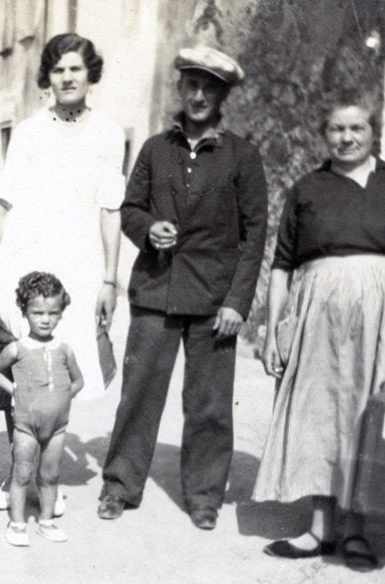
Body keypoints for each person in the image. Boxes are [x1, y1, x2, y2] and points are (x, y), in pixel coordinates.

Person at [252, 92, 385, 571]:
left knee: (365, 416)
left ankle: (356, 531)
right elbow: (281, 267)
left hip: (383, 317)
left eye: (357, 128)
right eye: (336, 129)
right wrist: (273, 332)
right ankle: (320, 529)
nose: (347, 137)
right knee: (319, 415)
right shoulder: (307, 189)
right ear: (323, 134)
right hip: (319, 314)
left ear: (373, 132)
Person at [98, 47, 268, 530]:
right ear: (180, 89)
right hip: (156, 290)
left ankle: (204, 496)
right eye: (191, 85)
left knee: (209, 404)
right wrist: (148, 229)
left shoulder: (243, 156)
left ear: (222, 97)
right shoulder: (155, 149)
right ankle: (119, 486)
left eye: (208, 88)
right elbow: (129, 210)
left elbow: (254, 235)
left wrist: (238, 301)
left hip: (216, 303)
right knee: (139, 394)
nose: (198, 96)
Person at [0, 32, 125, 512]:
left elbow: (111, 209)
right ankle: (18, 477)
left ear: (91, 75)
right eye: (58, 69)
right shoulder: (27, 132)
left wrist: (110, 278)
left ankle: (43, 476)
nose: (67, 77)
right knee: (28, 364)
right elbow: (5, 205)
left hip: (79, 265)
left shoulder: (110, 133)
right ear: (47, 77)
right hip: (25, 259)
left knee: (60, 369)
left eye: (76, 68)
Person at [0, 272, 84, 546]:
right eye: (37, 312)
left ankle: (46, 521)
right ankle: (17, 523)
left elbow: (79, 381)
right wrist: (14, 390)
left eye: (53, 313)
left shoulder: (64, 350)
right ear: (24, 311)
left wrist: (65, 395)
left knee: (51, 475)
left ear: (61, 313)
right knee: (22, 473)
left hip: (57, 428)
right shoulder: (17, 348)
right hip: (26, 426)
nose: (45, 319)